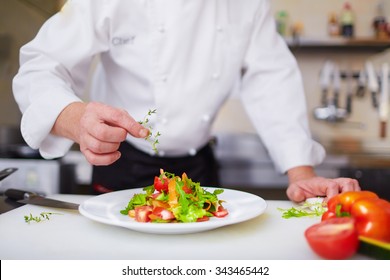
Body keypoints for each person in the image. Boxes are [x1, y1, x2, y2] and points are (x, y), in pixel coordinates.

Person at [12, 0, 360, 201]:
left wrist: (301, 172)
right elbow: (42, 64)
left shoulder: (247, 4)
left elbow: (271, 80)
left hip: (199, 167)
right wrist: (72, 116)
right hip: (123, 162)